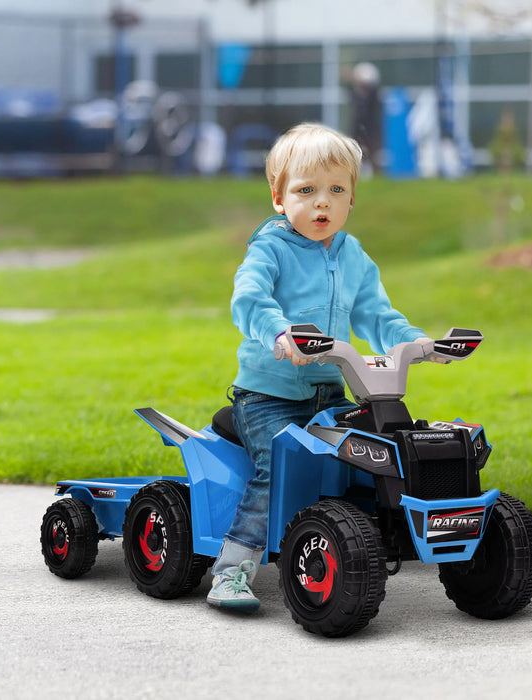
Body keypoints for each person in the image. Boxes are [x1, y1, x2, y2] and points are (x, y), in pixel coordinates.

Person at [207, 123, 431, 612]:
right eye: (306, 191)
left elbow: (376, 314)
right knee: (278, 470)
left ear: (352, 199)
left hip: (330, 391)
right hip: (268, 396)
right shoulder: (270, 248)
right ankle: (232, 570)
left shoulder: (352, 256)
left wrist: (413, 341)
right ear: (279, 198)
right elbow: (248, 299)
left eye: (336, 190)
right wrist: (279, 333)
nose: (321, 203)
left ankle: (365, 547)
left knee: (373, 456)